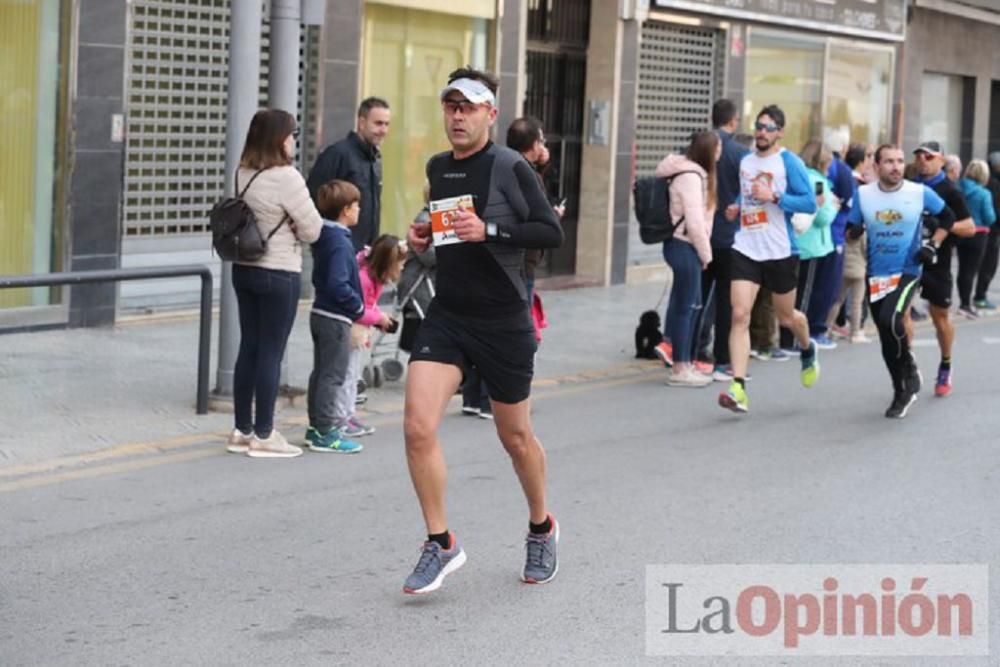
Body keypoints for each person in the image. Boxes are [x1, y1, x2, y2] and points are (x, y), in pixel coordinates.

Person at [401, 66, 563, 594]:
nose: (457, 116)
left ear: (490, 114)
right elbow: (447, 231)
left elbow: (549, 231)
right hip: (449, 316)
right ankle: (440, 541)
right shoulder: (438, 166)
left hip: (502, 321)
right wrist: (424, 237)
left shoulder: (511, 166)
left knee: (514, 437)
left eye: (468, 107)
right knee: (417, 426)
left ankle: (541, 526)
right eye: (451, 106)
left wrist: (490, 229)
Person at [226, 109, 323, 458]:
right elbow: (313, 229)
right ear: (279, 139)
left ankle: (242, 429)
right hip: (278, 270)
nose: (294, 139)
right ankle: (265, 434)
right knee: (271, 351)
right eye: (291, 134)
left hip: (244, 268)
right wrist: (297, 227)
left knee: (249, 347)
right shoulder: (287, 177)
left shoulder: (243, 172)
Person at [718, 105, 818, 414]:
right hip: (746, 246)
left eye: (768, 127)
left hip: (779, 250)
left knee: (787, 318)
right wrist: (736, 207)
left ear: (780, 132)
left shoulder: (790, 162)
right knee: (739, 314)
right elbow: (746, 195)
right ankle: (738, 387)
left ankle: (807, 346)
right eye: (758, 126)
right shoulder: (746, 162)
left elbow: (809, 203)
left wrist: (774, 197)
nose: (761, 132)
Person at [845, 144, 954, 418]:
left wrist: (932, 245)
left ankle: (904, 384)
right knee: (885, 336)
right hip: (876, 273)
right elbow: (849, 231)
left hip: (908, 269)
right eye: (889, 162)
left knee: (891, 320)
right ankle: (904, 380)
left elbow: (948, 217)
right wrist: (854, 231)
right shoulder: (863, 195)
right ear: (877, 166)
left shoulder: (918, 192)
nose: (896, 166)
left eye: (900, 161)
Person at [909, 141, 975, 397]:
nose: (923, 160)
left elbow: (969, 227)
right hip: (910, 259)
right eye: (919, 156)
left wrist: (942, 224)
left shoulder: (950, 191)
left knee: (940, 318)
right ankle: (909, 365)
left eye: (929, 156)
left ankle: (946, 364)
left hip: (938, 261)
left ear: (941, 160)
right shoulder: (909, 186)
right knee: (902, 314)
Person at [304, 180, 365, 454]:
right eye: (356, 206)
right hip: (336, 317)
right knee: (334, 375)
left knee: (321, 373)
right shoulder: (340, 242)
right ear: (345, 210)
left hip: (320, 312)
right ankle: (326, 432)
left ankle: (316, 425)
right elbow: (338, 283)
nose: (359, 210)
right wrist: (358, 307)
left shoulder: (325, 235)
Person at [655, 130, 720, 386]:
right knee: (687, 307)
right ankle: (680, 368)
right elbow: (694, 222)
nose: (720, 152)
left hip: (684, 246)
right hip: (684, 246)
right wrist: (707, 255)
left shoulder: (692, 173)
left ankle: (686, 363)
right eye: (717, 148)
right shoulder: (691, 177)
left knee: (691, 305)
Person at [697, 99, 750, 382]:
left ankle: (693, 351)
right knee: (727, 300)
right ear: (733, 121)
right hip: (730, 237)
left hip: (700, 234)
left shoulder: (696, 147)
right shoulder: (740, 153)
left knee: (698, 295)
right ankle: (721, 359)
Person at [337, 234, 406, 438]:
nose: (401, 269)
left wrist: (378, 319)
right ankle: (340, 418)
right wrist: (379, 318)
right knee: (347, 376)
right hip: (352, 330)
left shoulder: (372, 277)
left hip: (359, 330)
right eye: (399, 264)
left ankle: (348, 415)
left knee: (352, 375)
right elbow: (360, 308)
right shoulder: (365, 279)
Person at [307, 97, 391, 252]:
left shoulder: (375, 160)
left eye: (387, 124)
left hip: (363, 255)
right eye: (378, 123)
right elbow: (312, 198)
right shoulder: (337, 154)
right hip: (337, 251)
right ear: (362, 123)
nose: (383, 130)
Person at [778, 140, 837, 353]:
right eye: (828, 162)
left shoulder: (798, 176)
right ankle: (794, 341)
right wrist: (834, 208)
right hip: (811, 245)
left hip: (796, 243)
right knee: (804, 296)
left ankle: (788, 339)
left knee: (792, 294)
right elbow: (821, 216)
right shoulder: (818, 182)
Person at [956, 159, 996, 318]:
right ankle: (965, 305)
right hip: (978, 234)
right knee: (970, 270)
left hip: (960, 232)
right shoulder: (984, 193)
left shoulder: (958, 187)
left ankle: (963, 301)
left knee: (961, 269)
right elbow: (990, 217)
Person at [974, 152, 1000, 310]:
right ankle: (980, 296)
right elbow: (995, 211)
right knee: (988, 265)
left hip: (985, 230)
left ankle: (977, 296)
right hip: (991, 230)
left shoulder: (986, 182)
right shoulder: (993, 184)